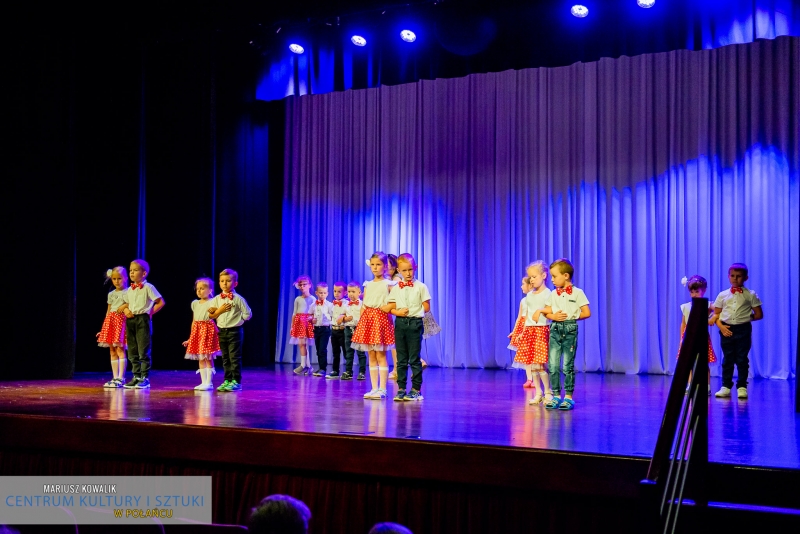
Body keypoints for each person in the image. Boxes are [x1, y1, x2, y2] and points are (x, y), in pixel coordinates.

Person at [536, 259, 590, 411]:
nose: (552, 280)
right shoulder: (553, 294)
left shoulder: (578, 293)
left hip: (570, 329)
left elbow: (586, 312)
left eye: (554, 276)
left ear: (566, 276)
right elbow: (547, 311)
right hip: (555, 329)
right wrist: (553, 316)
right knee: (553, 365)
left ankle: (568, 397)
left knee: (567, 365)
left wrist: (571, 316)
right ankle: (555, 395)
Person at [711, 263, 763, 399]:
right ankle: (726, 386)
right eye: (733, 276)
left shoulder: (750, 295)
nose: (735, 279)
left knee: (741, 358)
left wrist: (745, 318)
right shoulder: (722, 295)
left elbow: (758, 314)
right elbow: (716, 314)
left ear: (745, 278)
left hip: (743, 330)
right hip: (726, 328)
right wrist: (721, 327)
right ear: (728, 277)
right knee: (728, 358)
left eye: (739, 276)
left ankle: (742, 387)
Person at [351, 251, 397, 399]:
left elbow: (394, 302)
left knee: (381, 354)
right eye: (372, 265)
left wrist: (388, 308)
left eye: (378, 264)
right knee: (371, 354)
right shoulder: (367, 284)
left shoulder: (389, 284)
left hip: (381, 320)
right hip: (368, 321)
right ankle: (374, 388)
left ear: (385, 267)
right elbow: (364, 304)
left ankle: (383, 389)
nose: (375, 267)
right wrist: (361, 322)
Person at [388, 253, 431, 401]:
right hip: (400, 323)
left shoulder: (421, 287)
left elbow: (427, 307)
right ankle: (401, 388)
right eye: (404, 270)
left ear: (415, 268)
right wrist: (398, 312)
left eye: (410, 270)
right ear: (398, 270)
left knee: (414, 358)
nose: (408, 273)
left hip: (414, 323)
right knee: (401, 359)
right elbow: (391, 307)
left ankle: (416, 389)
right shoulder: (396, 288)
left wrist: (414, 308)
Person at [118, 259, 165, 389]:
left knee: (143, 349)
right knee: (132, 349)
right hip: (131, 319)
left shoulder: (148, 287)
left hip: (142, 319)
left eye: (135, 270)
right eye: (130, 270)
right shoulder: (129, 290)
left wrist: (150, 313)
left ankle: (145, 378)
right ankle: (136, 376)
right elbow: (127, 304)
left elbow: (160, 302)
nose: (132, 273)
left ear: (144, 273)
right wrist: (126, 310)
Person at [514, 261, 552, 404]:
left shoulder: (548, 294)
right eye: (530, 277)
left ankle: (548, 392)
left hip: (541, 331)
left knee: (540, 365)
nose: (532, 280)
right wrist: (522, 333)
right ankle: (538, 393)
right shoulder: (529, 296)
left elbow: (550, 312)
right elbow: (528, 316)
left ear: (544, 276)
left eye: (534, 277)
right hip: (529, 331)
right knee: (533, 365)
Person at [208, 268, 252, 391]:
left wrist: (239, 320)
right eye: (222, 281)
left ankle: (236, 381)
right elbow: (211, 315)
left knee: (234, 357)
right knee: (225, 357)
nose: (225, 283)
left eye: (228, 281)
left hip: (235, 331)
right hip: (221, 331)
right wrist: (219, 311)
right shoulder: (216, 299)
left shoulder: (238, 299)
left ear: (235, 283)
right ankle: (227, 380)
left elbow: (248, 314)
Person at [677, 275, 717, 395]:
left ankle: (707, 385)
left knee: (703, 363)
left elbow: (718, 311)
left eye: (697, 291)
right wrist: (681, 339)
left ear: (703, 290)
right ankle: (690, 384)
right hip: (688, 336)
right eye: (692, 292)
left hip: (701, 336)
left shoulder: (708, 304)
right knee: (688, 362)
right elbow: (683, 323)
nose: (694, 294)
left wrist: (712, 317)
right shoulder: (686, 306)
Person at [183, 277, 221, 390]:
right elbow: (194, 321)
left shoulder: (213, 302)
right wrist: (191, 337)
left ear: (210, 290)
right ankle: (203, 382)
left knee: (207, 357)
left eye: (202, 288)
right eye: (197, 288)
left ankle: (209, 383)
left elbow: (217, 317)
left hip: (208, 330)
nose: (199, 291)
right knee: (200, 357)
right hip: (197, 331)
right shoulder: (195, 303)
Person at [97, 266, 129, 388]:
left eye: (119, 278)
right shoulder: (111, 294)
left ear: (125, 278)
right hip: (111, 322)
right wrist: (104, 328)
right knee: (112, 350)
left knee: (120, 349)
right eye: (114, 279)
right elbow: (108, 310)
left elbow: (131, 304)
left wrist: (125, 306)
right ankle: (115, 377)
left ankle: (121, 378)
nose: (116, 281)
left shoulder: (128, 292)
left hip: (121, 322)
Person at [508, 275, 533, 383]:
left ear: (530, 285)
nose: (521, 286)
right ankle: (529, 379)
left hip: (531, 326)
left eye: (523, 284)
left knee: (533, 354)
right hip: (522, 326)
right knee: (526, 353)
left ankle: (535, 378)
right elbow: (519, 317)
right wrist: (514, 331)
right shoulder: (523, 300)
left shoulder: (534, 300)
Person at [289, 275, 315, 375]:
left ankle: (304, 365)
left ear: (309, 285)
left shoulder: (312, 299)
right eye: (300, 285)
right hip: (299, 322)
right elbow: (294, 313)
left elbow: (314, 312)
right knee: (302, 344)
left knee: (303, 343)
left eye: (305, 284)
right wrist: (292, 326)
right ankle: (307, 366)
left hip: (307, 322)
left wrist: (312, 320)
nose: (302, 287)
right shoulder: (297, 299)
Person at [341, 281, 367, 380]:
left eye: (353, 291)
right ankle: (348, 371)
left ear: (359, 292)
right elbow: (342, 315)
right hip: (348, 329)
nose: (351, 294)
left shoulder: (362, 304)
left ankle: (362, 372)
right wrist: (344, 319)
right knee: (349, 352)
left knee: (361, 352)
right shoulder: (345, 304)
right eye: (349, 291)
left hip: (359, 329)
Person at [311, 282, 334, 377]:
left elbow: (333, 316)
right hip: (317, 329)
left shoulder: (329, 305)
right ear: (316, 293)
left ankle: (323, 369)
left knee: (322, 349)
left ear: (327, 293)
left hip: (325, 329)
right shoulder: (313, 305)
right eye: (320, 293)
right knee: (318, 350)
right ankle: (321, 367)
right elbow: (310, 315)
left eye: (324, 293)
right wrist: (311, 319)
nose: (322, 295)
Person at [386, 254, 403, 380]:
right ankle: (397, 369)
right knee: (396, 342)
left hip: (401, 312)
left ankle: (397, 369)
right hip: (397, 312)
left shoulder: (396, 278)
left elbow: (395, 295)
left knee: (395, 343)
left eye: (387, 265)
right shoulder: (393, 278)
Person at [327, 281, 349, 379]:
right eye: (335, 291)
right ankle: (335, 370)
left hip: (342, 331)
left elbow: (349, 315)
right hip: (334, 330)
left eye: (339, 291)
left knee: (346, 352)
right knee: (335, 352)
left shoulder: (347, 304)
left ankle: (348, 371)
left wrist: (343, 317)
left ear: (345, 293)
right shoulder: (332, 304)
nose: (336, 293)